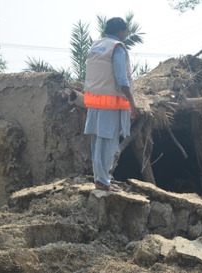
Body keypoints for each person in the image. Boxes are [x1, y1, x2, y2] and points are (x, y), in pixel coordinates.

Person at [83, 17, 138, 192]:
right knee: (107, 143)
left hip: (94, 102)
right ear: (121, 31)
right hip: (110, 104)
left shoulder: (96, 45)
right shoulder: (117, 47)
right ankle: (103, 181)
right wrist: (132, 104)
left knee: (97, 143)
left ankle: (101, 179)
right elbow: (122, 80)